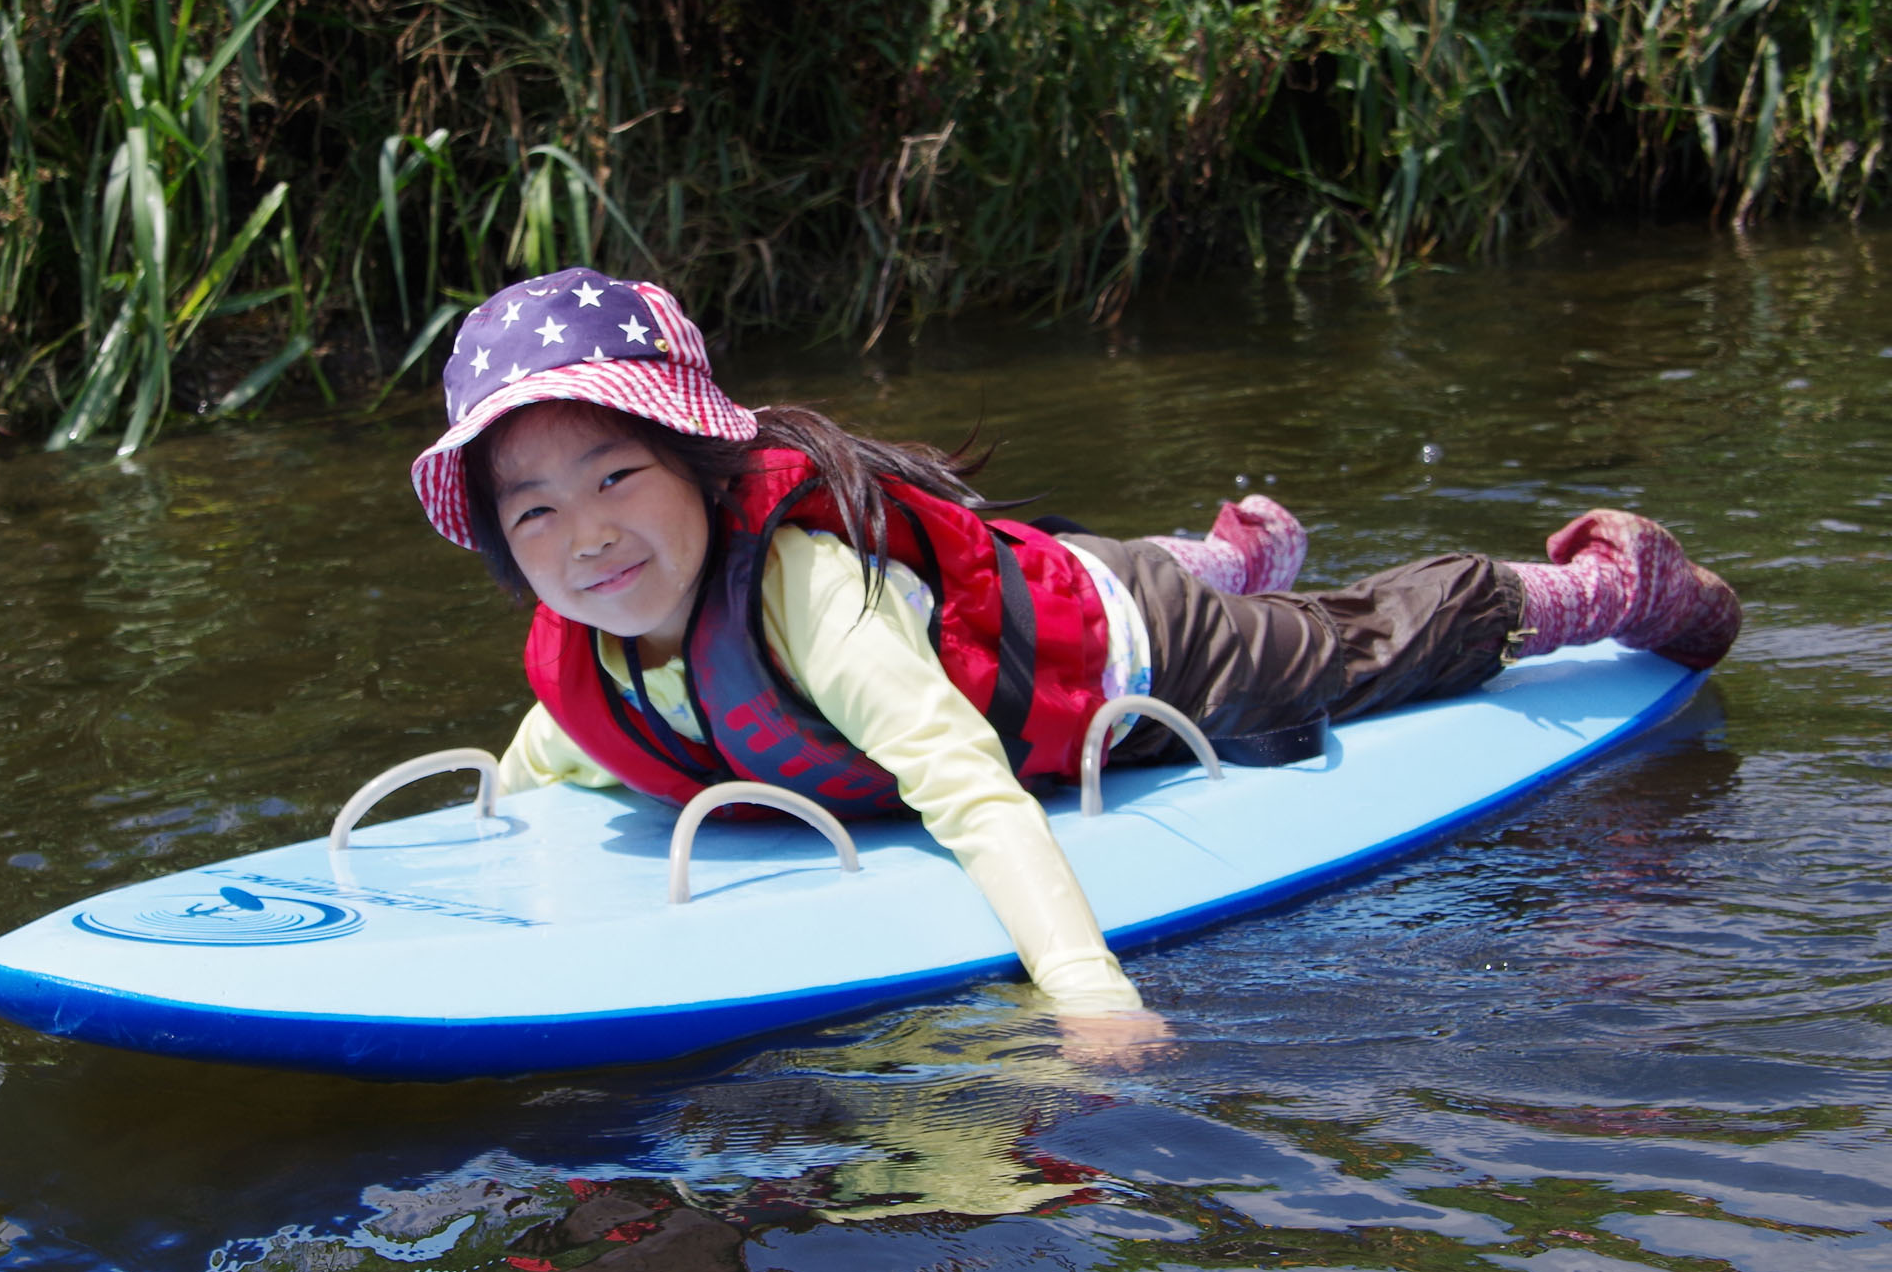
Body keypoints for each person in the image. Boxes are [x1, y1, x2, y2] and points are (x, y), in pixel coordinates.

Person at [408, 268, 1741, 1024]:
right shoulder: (590, 641)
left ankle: (1603, 584)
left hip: (1132, 654)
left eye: (616, 476)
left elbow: (971, 791)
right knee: (1087, 567)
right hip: (1048, 591)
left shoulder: (813, 596)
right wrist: (473, 855)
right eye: (533, 509)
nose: (585, 537)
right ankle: (1222, 550)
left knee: (1351, 651)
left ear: (705, 465)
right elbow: (561, 747)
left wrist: (1088, 993)